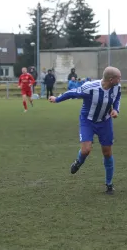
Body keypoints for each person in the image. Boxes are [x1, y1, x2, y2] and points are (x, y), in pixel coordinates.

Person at [49, 66, 122, 194]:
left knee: (107, 152)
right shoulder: (90, 87)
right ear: (111, 79)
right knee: (86, 150)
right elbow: (72, 93)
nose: (120, 80)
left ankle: (109, 184)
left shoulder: (117, 87)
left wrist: (115, 110)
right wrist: (57, 99)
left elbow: (117, 99)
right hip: (87, 121)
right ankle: (78, 162)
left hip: (104, 122)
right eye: (118, 78)